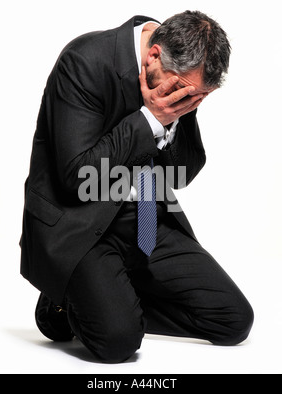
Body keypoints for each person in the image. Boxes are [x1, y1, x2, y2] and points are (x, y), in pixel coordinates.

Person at [20, 11, 254, 363]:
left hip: (144, 218)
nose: (187, 102)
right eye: (185, 93)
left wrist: (172, 122)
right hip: (81, 224)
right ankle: (64, 299)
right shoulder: (84, 61)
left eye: (198, 97)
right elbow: (76, 175)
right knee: (118, 343)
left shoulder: (181, 78)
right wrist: (150, 120)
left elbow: (182, 173)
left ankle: (103, 301)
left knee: (233, 320)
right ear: (154, 55)